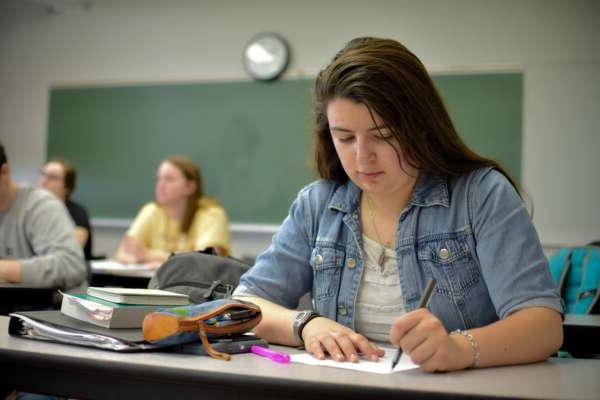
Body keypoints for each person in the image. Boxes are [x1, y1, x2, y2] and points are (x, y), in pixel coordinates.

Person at [233, 37, 563, 372]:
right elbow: (244, 304)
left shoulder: (481, 195)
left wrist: (459, 349)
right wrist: (305, 324)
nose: (362, 157)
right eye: (345, 138)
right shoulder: (317, 204)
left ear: (420, 127)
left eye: (384, 135)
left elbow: (543, 327)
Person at [114, 156, 231, 268]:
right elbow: (123, 252)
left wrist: (149, 255)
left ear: (190, 187)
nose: (160, 185)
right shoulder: (151, 211)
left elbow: (205, 259)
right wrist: (142, 259)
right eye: (159, 178)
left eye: (169, 179)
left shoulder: (211, 213)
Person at [0, 142, 86, 290]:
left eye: (52, 177)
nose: (44, 180)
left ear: (5, 172)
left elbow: (70, 266)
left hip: (52, 307)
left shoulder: (41, 205)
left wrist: (4, 269)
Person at [39, 158, 93, 260]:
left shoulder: (77, 213)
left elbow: (69, 252)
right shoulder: (34, 212)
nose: (43, 181)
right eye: (42, 174)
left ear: (67, 186)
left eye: (52, 177)